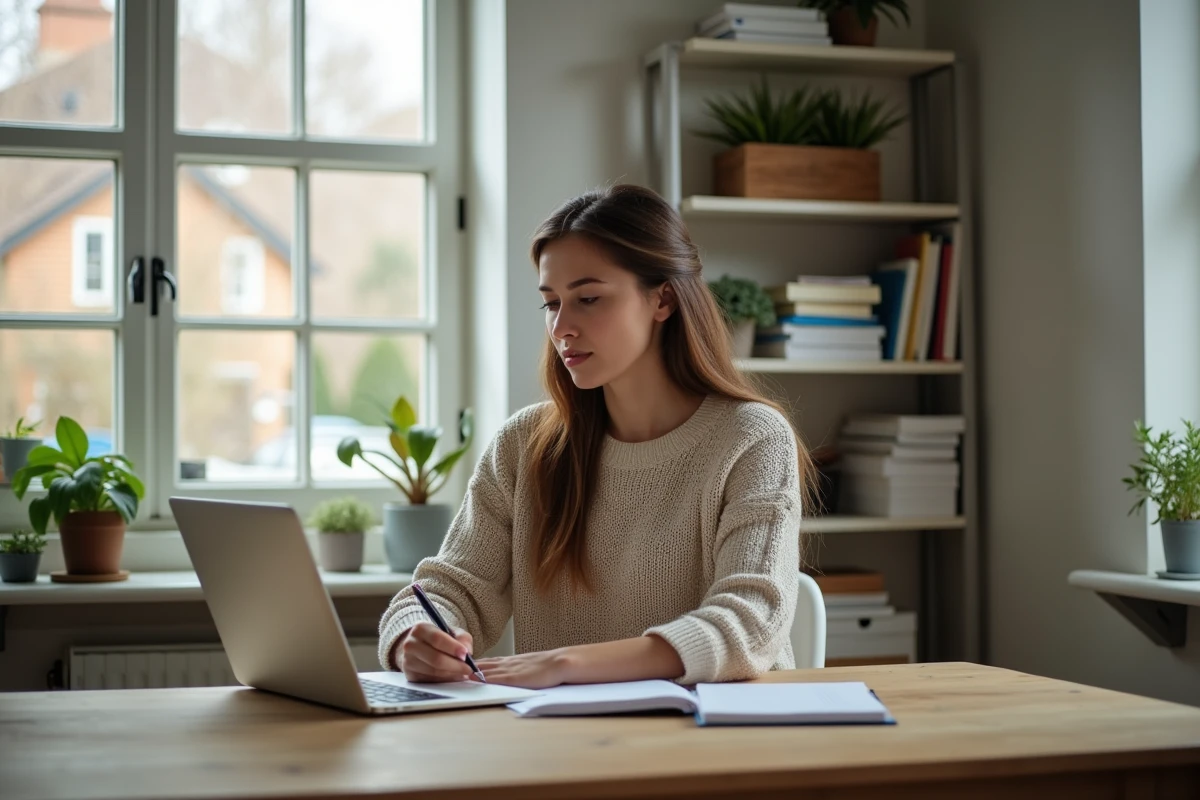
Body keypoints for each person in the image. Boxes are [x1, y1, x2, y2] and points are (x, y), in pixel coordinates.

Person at [378, 184, 815, 689]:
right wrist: (416, 638)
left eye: (588, 299)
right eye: (550, 304)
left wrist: (568, 665)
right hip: (566, 743)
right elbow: (446, 589)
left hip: (718, 740)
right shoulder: (524, 445)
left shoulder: (751, 439)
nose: (562, 327)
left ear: (663, 299)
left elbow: (750, 621)